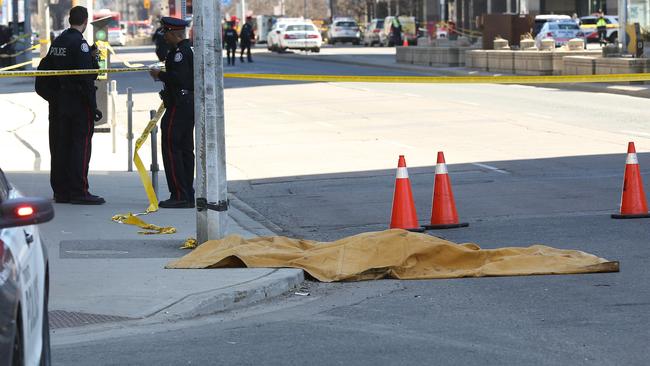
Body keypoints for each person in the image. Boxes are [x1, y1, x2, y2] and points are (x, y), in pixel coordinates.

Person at [48, 6, 105, 205]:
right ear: (86, 21)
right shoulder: (79, 44)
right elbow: (86, 77)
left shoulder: (59, 41)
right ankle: (79, 191)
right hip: (78, 105)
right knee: (80, 147)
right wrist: (93, 106)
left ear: (69, 20)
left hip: (59, 104)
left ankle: (61, 191)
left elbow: (45, 72)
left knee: (60, 146)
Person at [149, 17, 195, 209]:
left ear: (175, 34)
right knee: (184, 149)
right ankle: (186, 192)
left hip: (179, 105)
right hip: (184, 104)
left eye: (166, 33)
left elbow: (180, 79)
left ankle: (179, 193)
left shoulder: (180, 54)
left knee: (171, 147)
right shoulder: (180, 51)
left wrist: (159, 75)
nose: (164, 37)